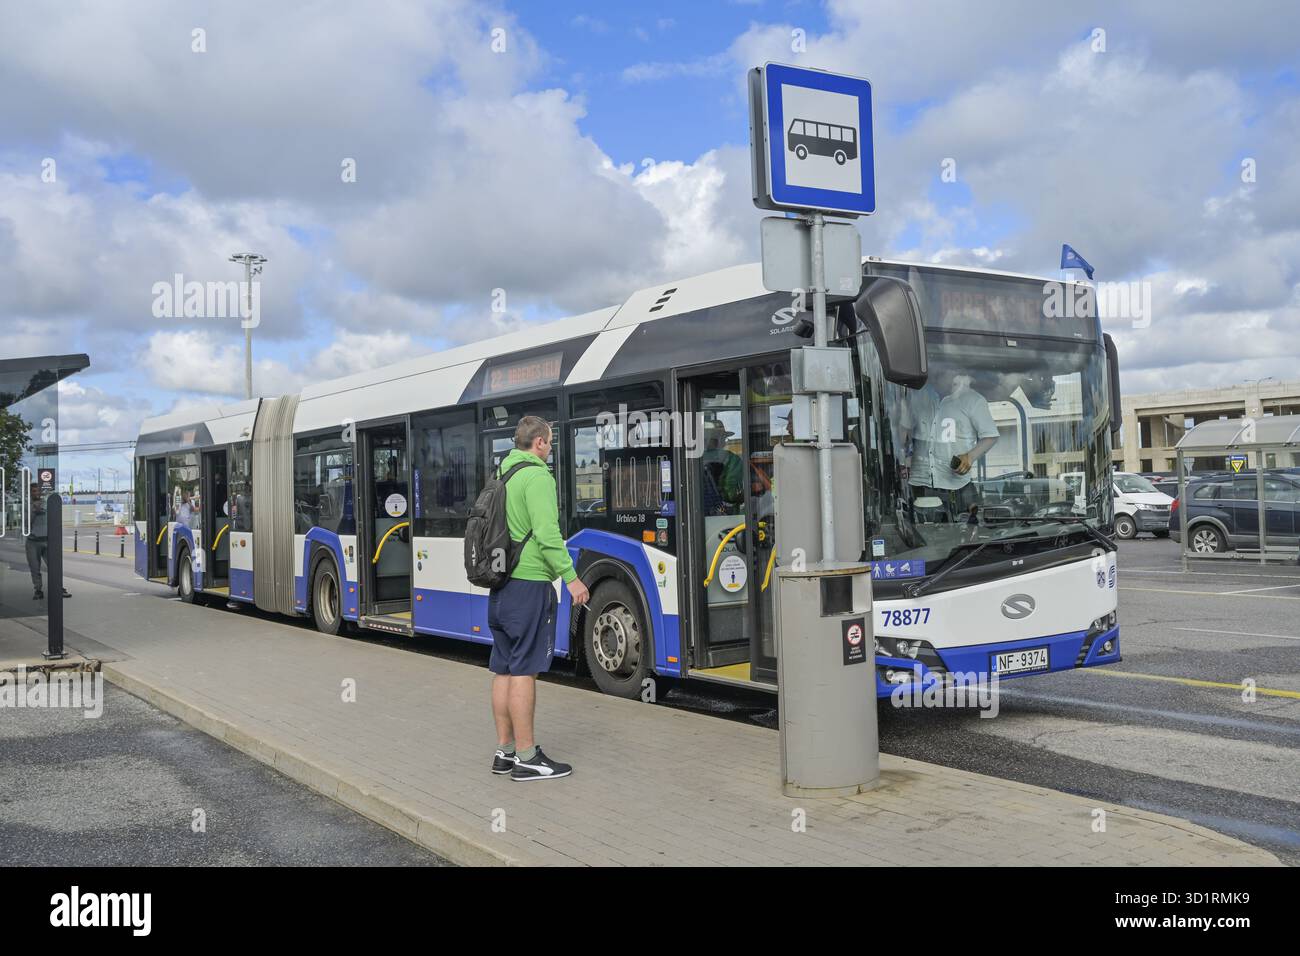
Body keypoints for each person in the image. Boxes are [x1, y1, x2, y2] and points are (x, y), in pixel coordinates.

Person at [489, 415, 590, 782]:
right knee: (524, 670)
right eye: (550, 442)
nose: (551, 449)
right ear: (541, 443)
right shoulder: (537, 477)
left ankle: (506, 751)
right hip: (529, 583)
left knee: (503, 667)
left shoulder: (502, 474)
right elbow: (548, 534)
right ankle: (528, 758)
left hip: (501, 586)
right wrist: (572, 578)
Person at [899, 369, 999, 521]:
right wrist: (901, 456)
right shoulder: (916, 395)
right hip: (919, 483)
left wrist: (970, 457)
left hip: (956, 486)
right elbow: (902, 432)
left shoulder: (973, 400)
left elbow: (990, 435)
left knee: (962, 533)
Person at [26, 489, 70, 601]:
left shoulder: (48, 504)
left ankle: (58, 588)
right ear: (30, 493)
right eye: (33, 491)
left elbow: (54, 519)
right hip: (32, 541)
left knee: (54, 566)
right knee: (35, 568)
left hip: (47, 540)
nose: (36, 493)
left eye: (37, 491)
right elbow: (25, 523)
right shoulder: (26, 505)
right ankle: (38, 590)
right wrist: (34, 512)